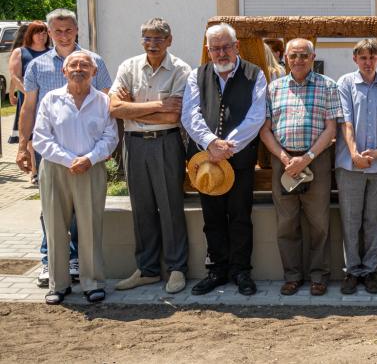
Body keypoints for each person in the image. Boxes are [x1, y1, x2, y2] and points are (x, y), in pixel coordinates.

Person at [18, 9, 112, 288]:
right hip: (51, 153)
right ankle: (50, 263)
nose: (63, 35)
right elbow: (29, 107)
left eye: (68, 29)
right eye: (57, 31)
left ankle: (78, 264)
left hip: (89, 156)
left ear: (77, 30)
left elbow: (107, 103)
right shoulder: (37, 66)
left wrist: (93, 156)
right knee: (51, 213)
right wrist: (22, 146)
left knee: (85, 216)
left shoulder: (94, 61)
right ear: (49, 32)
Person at [182, 23, 267, 296]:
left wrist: (227, 146)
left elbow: (256, 116)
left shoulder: (255, 74)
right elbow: (190, 114)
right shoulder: (197, 75)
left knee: (241, 216)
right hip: (205, 159)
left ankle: (241, 271)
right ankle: (217, 270)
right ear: (208, 50)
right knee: (213, 217)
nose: (221, 53)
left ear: (236, 46)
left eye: (226, 47)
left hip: (239, 159)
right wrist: (211, 143)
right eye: (215, 48)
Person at [109, 18, 192, 294]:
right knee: (141, 208)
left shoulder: (181, 69)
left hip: (166, 143)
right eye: (147, 38)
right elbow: (114, 108)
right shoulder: (128, 67)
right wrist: (158, 105)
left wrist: (132, 108)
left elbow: (173, 116)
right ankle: (147, 270)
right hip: (134, 144)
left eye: (158, 38)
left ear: (169, 40)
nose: (152, 43)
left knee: (170, 207)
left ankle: (177, 268)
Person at [33, 50, 118, 305]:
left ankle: (93, 283)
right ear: (64, 71)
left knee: (90, 226)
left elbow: (111, 137)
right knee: (55, 227)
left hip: (91, 169)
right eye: (73, 65)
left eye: (84, 65)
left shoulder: (103, 101)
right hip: (56, 169)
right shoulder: (51, 99)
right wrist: (69, 159)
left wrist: (89, 158)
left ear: (94, 71)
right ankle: (58, 284)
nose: (78, 69)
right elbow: (41, 137)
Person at [260, 38, 339, 296]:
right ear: (285, 58)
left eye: (304, 55)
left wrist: (307, 158)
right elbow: (265, 129)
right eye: (293, 55)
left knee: (319, 223)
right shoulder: (274, 88)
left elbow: (331, 128)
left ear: (313, 57)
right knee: (286, 222)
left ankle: (319, 276)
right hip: (283, 161)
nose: (298, 60)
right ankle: (292, 276)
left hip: (317, 159)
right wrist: (285, 159)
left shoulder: (328, 86)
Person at [335, 38, 377, 295]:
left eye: (372, 57)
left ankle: (369, 271)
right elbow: (346, 121)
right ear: (355, 59)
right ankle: (352, 270)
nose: (368, 63)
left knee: (374, 221)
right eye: (363, 58)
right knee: (350, 220)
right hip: (350, 165)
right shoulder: (345, 83)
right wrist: (354, 153)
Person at [7, 22, 49, 145]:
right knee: (30, 139)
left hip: (48, 101)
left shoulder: (53, 52)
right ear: (30, 34)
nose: (42, 36)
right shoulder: (20, 52)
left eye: (44, 33)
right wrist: (29, 94)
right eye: (38, 33)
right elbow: (15, 76)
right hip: (28, 100)